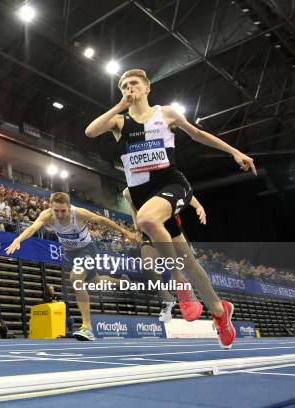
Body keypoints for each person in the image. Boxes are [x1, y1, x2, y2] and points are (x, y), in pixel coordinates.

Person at [84, 68, 257, 349]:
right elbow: (90, 132)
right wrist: (120, 105)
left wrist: (234, 151)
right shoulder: (119, 120)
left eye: (135, 84)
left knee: (149, 220)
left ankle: (179, 283)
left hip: (171, 184)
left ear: (147, 87)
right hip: (143, 194)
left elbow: (198, 134)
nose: (130, 88)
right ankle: (219, 310)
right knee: (186, 257)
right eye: (124, 86)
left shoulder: (165, 114)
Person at [5, 192, 139, 341]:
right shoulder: (47, 215)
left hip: (88, 249)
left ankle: (87, 327)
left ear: (69, 207)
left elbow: (102, 220)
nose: (60, 214)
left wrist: (126, 232)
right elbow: (33, 228)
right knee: (96, 281)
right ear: (51, 207)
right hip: (71, 254)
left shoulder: (79, 214)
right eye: (56, 211)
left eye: (63, 210)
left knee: (75, 277)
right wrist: (18, 239)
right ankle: (123, 282)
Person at [123, 187, 207, 322]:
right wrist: (137, 229)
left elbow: (184, 191)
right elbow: (135, 209)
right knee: (148, 266)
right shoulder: (128, 193)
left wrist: (198, 206)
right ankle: (168, 300)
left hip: (171, 226)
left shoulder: (158, 179)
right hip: (148, 229)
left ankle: (208, 303)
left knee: (189, 267)